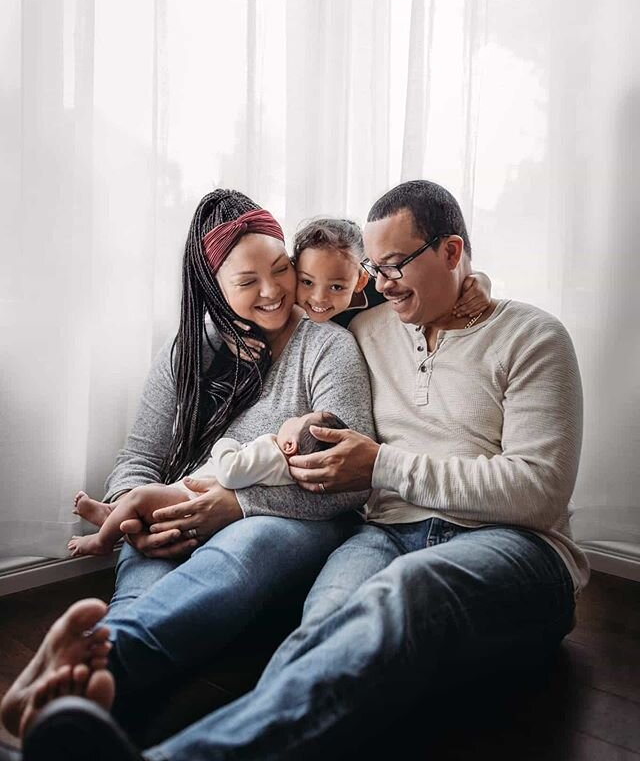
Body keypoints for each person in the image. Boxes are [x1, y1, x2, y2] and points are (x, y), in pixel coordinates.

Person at [1, 179, 588, 761]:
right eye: (373, 270)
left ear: (452, 252)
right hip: (383, 532)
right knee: (324, 626)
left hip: (507, 542)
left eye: (392, 266)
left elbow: (535, 492)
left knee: (401, 591)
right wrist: (139, 501)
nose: (379, 284)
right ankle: (75, 695)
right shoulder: (369, 326)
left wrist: (368, 465)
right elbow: (332, 296)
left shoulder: (527, 337)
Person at [0, 188, 375, 743]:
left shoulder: (326, 347)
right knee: (143, 596)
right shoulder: (189, 353)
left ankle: (83, 686)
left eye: (280, 270)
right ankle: (82, 720)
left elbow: (351, 479)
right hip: (178, 512)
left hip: (286, 523)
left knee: (236, 553)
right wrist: (139, 519)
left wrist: (238, 506)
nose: (274, 292)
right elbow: (139, 460)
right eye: (248, 283)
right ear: (214, 288)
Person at [67, 411, 349, 558]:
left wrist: (226, 443)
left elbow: (230, 473)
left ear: (290, 445)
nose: (292, 418)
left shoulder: (271, 452)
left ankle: (103, 540)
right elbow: (140, 453)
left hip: (192, 500)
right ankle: (112, 511)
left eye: (298, 419)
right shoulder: (283, 464)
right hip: (192, 498)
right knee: (138, 500)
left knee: (141, 497)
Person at [291, 215, 491, 328]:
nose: (319, 298)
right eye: (307, 282)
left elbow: (436, 282)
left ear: (361, 280)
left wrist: (481, 281)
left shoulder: (382, 286)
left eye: (336, 287)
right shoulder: (291, 295)